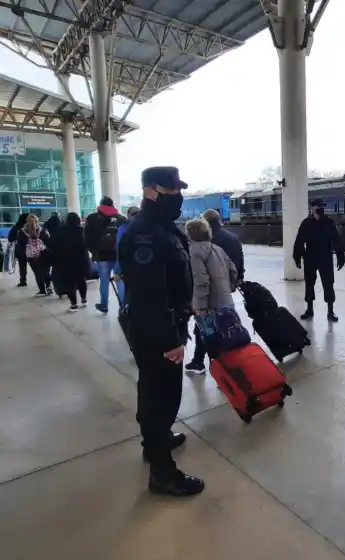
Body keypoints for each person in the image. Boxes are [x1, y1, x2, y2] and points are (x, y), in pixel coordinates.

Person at [118, 166, 203, 497]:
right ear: (151, 192)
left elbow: (172, 278)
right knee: (161, 398)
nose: (177, 197)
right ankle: (163, 473)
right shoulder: (145, 235)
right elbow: (150, 294)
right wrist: (170, 339)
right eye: (171, 192)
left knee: (156, 393)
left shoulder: (163, 228)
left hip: (164, 324)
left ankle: (156, 440)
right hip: (157, 331)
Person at [184, 209, 245, 374]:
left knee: (212, 338)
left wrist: (200, 306)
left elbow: (201, 280)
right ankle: (228, 368)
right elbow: (233, 270)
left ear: (190, 234)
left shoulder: (194, 252)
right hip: (225, 301)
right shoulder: (217, 248)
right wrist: (228, 288)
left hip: (210, 305)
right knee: (228, 336)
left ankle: (224, 372)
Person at [292, 199, 345, 322]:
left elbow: (336, 240)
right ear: (312, 209)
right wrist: (297, 256)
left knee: (328, 284)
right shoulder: (306, 223)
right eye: (317, 208)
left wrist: (340, 255)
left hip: (325, 256)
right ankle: (309, 309)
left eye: (322, 208)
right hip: (310, 256)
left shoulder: (329, 222)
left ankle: (330, 311)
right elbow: (299, 241)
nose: (320, 211)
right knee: (309, 283)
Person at [85, 196, 128, 314]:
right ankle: (123, 305)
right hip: (118, 254)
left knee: (104, 280)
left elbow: (87, 237)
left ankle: (104, 305)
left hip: (101, 255)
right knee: (119, 279)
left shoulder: (92, 218)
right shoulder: (120, 218)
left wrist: (93, 251)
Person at [54, 212, 90, 311]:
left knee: (70, 283)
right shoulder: (81, 230)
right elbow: (86, 245)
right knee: (81, 280)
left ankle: (74, 304)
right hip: (81, 259)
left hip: (66, 261)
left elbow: (55, 246)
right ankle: (84, 299)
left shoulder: (61, 231)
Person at [19, 214, 52, 296]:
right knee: (45, 271)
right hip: (43, 253)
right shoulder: (42, 230)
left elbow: (20, 244)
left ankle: (42, 290)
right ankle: (48, 287)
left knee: (37, 273)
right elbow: (48, 242)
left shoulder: (22, 232)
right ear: (37, 221)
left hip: (31, 255)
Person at [8, 213, 30, 287]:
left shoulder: (16, 227)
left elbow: (10, 238)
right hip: (32, 249)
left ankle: (23, 281)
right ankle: (42, 282)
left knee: (22, 266)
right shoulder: (31, 226)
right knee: (36, 266)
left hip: (20, 250)